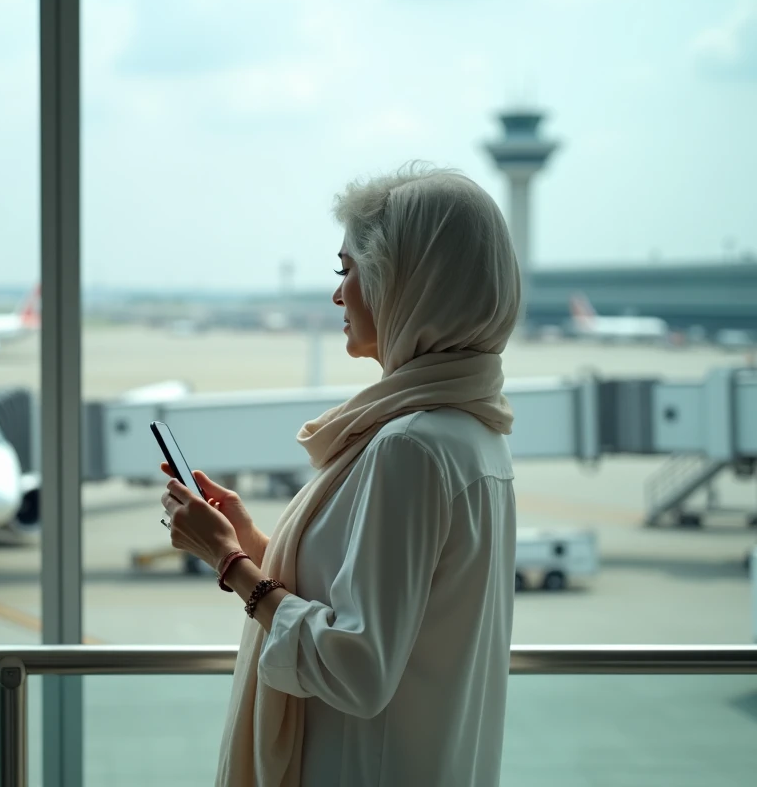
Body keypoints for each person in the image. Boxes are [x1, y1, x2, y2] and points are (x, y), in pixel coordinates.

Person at [160, 161, 521, 787]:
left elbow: (356, 667)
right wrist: (251, 541)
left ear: (402, 283)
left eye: (346, 270)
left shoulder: (410, 446)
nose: (337, 294)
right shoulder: (474, 434)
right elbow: (380, 604)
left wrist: (230, 565)